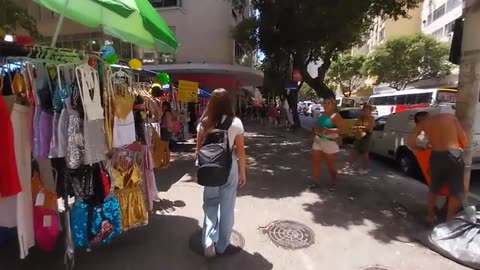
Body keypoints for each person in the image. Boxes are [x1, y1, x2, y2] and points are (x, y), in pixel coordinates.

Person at [195, 88, 247, 258]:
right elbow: (240, 152)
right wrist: (242, 173)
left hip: (209, 167)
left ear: (211, 103)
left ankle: (208, 241)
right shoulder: (236, 123)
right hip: (229, 166)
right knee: (227, 207)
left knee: (210, 204)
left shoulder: (203, 123)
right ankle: (222, 245)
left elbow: (198, 151)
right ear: (228, 103)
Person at [408, 112, 467, 226]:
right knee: (456, 191)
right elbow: (464, 139)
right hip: (453, 154)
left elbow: (410, 143)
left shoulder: (423, 124)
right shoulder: (450, 117)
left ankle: (430, 217)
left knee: (433, 188)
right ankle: (449, 221)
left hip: (435, 156)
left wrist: (420, 149)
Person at [310, 97, 344, 192]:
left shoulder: (336, 116)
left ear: (333, 105)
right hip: (318, 141)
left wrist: (330, 130)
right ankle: (316, 182)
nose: (326, 105)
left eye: (328, 103)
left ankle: (334, 182)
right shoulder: (322, 115)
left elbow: (342, 129)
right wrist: (313, 135)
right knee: (315, 162)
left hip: (330, 142)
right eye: (325, 103)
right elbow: (316, 127)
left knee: (330, 165)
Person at [346, 104, 375, 174]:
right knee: (353, 151)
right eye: (364, 110)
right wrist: (355, 127)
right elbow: (356, 125)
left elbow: (370, 128)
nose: (365, 111)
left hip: (366, 136)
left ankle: (365, 169)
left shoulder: (371, 118)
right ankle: (349, 166)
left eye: (367, 110)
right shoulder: (360, 117)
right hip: (359, 136)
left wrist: (360, 127)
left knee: (365, 153)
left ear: (370, 111)